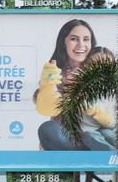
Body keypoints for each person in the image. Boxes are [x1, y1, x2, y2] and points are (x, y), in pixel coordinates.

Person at [34, 19, 97, 150]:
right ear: (64, 42)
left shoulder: (100, 70)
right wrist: (48, 87)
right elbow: (44, 105)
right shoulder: (54, 72)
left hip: (96, 135)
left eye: (86, 39)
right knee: (48, 129)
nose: (81, 45)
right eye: (74, 39)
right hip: (66, 139)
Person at [78, 47, 117, 151]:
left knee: (108, 134)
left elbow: (113, 122)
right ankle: (112, 156)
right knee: (90, 135)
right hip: (85, 132)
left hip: (106, 128)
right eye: (94, 65)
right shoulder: (79, 86)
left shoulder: (111, 92)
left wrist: (97, 113)